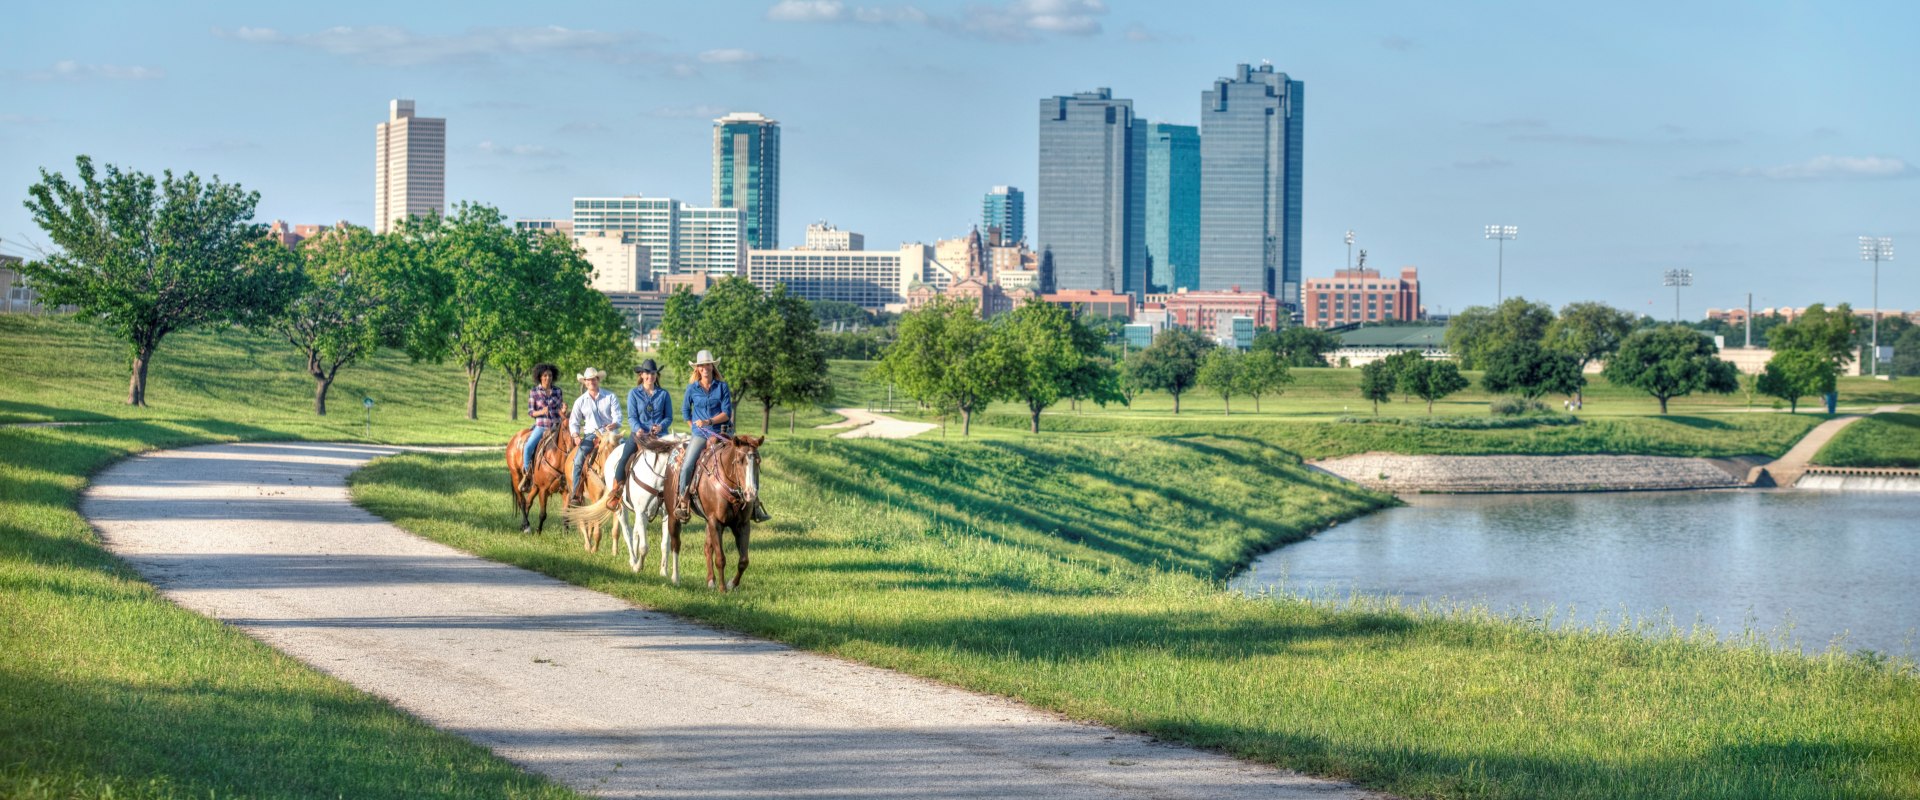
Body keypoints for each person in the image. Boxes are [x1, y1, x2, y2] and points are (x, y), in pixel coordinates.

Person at [676, 350, 770, 522]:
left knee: (748, 460)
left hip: (723, 432)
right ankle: (683, 501)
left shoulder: (722, 387)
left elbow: (726, 413)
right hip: (700, 435)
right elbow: (684, 412)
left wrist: (708, 422)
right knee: (687, 464)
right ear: (697, 369)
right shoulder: (691, 389)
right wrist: (695, 428)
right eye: (702, 365)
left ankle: (755, 505)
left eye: (708, 364)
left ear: (713, 366)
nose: (705, 368)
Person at [604, 359, 672, 508]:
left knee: (675, 460)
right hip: (639, 434)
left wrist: (660, 426)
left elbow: (669, 417)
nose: (650, 376)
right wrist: (637, 428)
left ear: (656, 375)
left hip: (660, 436)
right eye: (647, 373)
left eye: (653, 373)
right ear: (641, 374)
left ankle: (678, 493)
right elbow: (632, 417)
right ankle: (617, 490)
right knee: (624, 457)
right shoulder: (634, 394)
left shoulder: (664, 394)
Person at [567, 367, 621, 505]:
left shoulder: (610, 396)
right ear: (584, 382)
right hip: (592, 435)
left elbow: (618, 417)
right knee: (578, 460)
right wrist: (575, 435)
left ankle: (625, 488)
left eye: (594, 379)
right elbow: (573, 421)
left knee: (626, 456)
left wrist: (613, 425)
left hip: (610, 435)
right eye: (588, 379)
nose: (591, 381)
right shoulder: (580, 401)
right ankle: (576, 493)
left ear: (598, 380)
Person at [519, 363, 565, 493]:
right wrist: (541, 412)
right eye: (545, 375)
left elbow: (560, 410)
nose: (547, 378)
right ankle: (528, 474)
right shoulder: (534, 392)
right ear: (540, 377)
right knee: (528, 447)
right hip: (541, 426)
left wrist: (564, 409)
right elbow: (531, 412)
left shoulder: (557, 391)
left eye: (550, 375)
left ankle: (566, 476)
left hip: (556, 426)